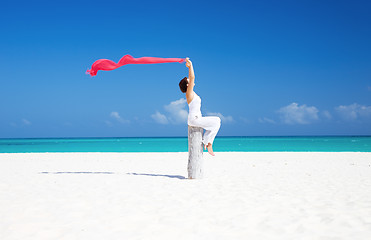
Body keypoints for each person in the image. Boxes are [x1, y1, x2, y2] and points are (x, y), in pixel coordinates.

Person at [179, 58, 221, 156]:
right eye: (189, 81)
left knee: (216, 123)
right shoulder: (189, 94)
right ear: (188, 85)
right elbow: (192, 76)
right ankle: (208, 142)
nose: (192, 80)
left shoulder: (193, 93)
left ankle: (207, 141)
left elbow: (191, 78)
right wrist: (190, 66)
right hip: (194, 119)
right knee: (216, 121)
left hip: (197, 118)